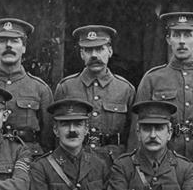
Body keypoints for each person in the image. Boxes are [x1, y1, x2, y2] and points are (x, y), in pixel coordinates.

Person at [129, 12, 193, 161]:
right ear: (168, 39)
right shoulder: (153, 79)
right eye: (176, 35)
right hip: (163, 159)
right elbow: (137, 127)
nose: (181, 41)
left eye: (187, 35)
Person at [0, 18, 54, 158]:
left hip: (28, 159)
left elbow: (48, 138)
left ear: (24, 47)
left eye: (15, 41)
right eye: (2, 41)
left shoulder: (40, 89)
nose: (8, 46)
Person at [54, 25, 135, 165]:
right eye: (88, 50)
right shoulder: (66, 87)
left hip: (114, 165)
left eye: (100, 49)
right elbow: (55, 134)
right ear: (81, 54)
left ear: (110, 51)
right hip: (75, 162)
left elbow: (133, 134)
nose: (94, 55)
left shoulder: (125, 89)